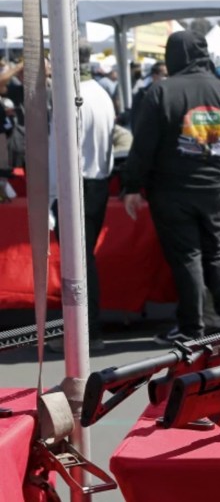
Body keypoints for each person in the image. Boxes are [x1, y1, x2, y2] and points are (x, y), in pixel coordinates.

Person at [123, 30, 220, 345]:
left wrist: (131, 186)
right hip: (216, 190)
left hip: (172, 191)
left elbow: (143, 147)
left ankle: (193, 328)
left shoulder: (161, 92)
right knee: (218, 253)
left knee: (188, 257)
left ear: (173, 56)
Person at [47, 41, 117, 351]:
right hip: (96, 181)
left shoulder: (72, 97)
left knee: (78, 264)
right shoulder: (102, 94)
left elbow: (57, 150)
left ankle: (84, 334)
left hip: (76, 184)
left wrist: (52, 194)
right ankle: (88, 331)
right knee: (84, 260)